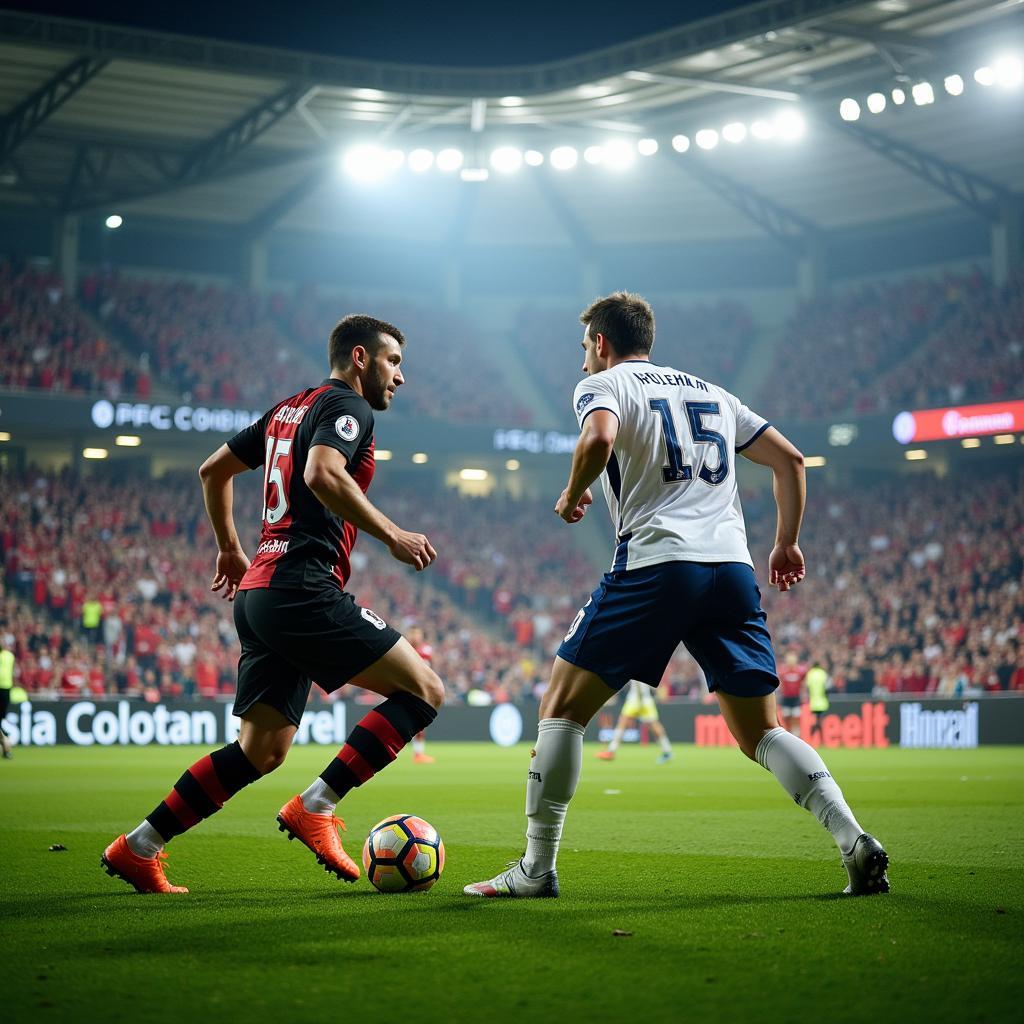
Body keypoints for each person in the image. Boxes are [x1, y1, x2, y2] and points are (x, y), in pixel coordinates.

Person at [465, 292, 888, 900]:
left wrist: (571, 494)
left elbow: (597, 441)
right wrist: (786, 544)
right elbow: (791, 462)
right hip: (732, 570)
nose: (584, 360)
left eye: (586, 347)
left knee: (560, 707)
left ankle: (536, 869)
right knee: (761, 733)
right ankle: (853, 841)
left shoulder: (605, 385)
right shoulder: (715, 393)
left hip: (658, 564)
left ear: (602, 343)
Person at [102, 314, 444, 894]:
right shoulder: (347, 407)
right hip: (302, 589)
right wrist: (393, 535)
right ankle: (317, 805)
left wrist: (231, 550)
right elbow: (320, 473)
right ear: (360, 358)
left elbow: (213, 470)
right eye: (393, 362)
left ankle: (138, 847)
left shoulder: (286, 408)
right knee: (425, 691)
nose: (400, 377)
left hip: (260, 593)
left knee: (260, 751)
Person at [596, 679, 673, 764]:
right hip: (643, 698)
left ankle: (611, 751)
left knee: (624, 722)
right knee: (652, 724)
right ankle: (667, 751)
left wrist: (640, 699)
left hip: (638, 699)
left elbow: (638, 681)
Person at [406, 626, 436, 763]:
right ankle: (418, 753)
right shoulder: (403, 648)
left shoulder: (426, 650)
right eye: (413, 634)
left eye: (417, 634)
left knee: (419, 722)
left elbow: (430, 669)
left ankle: (418, 753)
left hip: (420, 690)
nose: (415, 636)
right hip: (406, 688)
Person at [778, 651, 808, 735]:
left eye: (792, 660)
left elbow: (803, 684)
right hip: (786, 698)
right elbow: (781, 685)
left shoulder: (800, 672)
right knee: (786, 717)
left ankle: (796, 734)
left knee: (796, 717)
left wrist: (804, 694)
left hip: (796, 698)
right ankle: (789, 732)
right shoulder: (783, 672)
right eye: (789, 660)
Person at [0, 639, 14, 760]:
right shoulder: (9, 656)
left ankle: (6, 744)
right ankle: (6, 747)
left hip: (3, 691)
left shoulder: (8, 656)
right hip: (6, 691)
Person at [805, 658, 830, 723]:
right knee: (821, 719)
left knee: (814, 719)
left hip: (813, 702)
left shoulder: (810, 673)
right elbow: (827, 686)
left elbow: (807, 686)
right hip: (822, 701)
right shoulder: (823, 673)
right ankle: (819, 728)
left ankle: (815, 727)